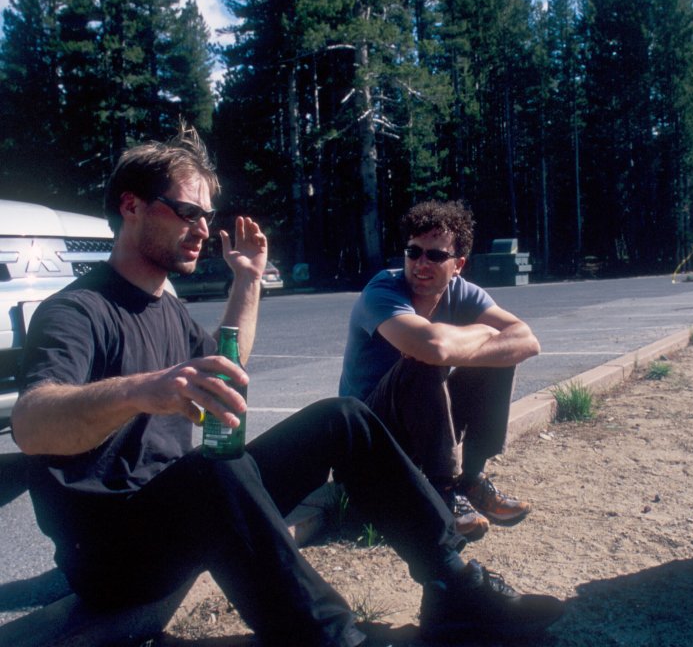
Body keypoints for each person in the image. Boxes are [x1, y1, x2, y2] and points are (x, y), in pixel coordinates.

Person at [12, 130, 563, 646]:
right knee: (213, 469)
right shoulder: (77, 310)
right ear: (131, 205)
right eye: (187, 212)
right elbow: (32, 423)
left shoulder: (167, 309)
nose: (202, 228)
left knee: (341, 417)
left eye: (206, 216)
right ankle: (334, 638)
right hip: (112, 558)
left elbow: (225, 364)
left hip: (184, 520)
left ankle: (453, 587)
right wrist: (140, 390)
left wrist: (248, 280)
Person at [340, 200, 538, 541]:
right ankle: (442, 491)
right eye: (413, 252)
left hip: (420, 426)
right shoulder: (382, 291)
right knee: (424, 360)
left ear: (458, 264)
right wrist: (485, 333)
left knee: (500, 357)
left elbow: (527, 340)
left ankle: (471, 480)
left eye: (435, 255)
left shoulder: (464, 294)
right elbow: (431, 347)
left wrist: (473, 347)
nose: (421, 264)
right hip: (368, 438)